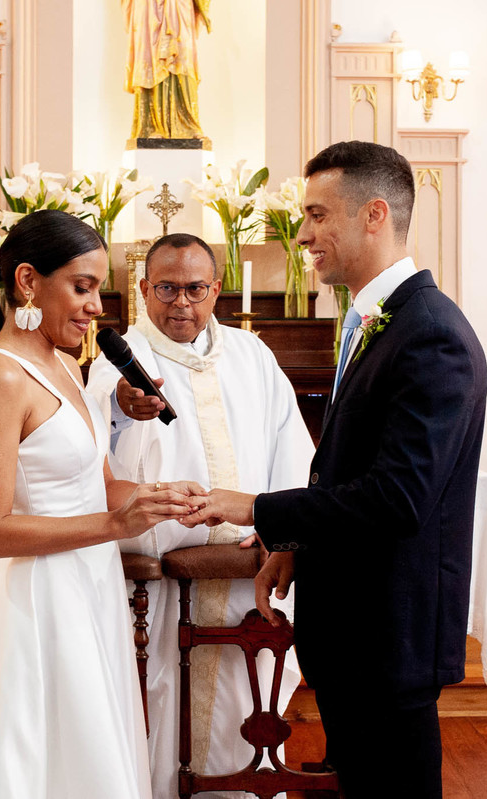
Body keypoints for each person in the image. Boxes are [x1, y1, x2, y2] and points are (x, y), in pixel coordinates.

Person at [182, 141, 487, 798]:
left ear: (374, 213)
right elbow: (349, 471)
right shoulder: (379, 319)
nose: (302, 234)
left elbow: (398, 498)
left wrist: (258, 508)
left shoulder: (430, 332)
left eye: (318, 214)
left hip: (390, 636)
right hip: (360, 634)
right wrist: (295, 541)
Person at [0, 210, 205, 798]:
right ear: (27, 282)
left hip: (89, 588)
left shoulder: (67, 364)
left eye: (98, 289)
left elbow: (97, 484)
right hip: (37, 604)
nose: (96, 306)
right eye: (83, 287)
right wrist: (115, 523)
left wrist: (156, 497)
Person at [87, 233, 314, 799]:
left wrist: (281, 530)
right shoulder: (117, 362)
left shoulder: (252, 354)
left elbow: (292, 448)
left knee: (249, 699)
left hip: (246, 569)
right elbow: (92, 451)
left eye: (195, 289)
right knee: (161, 702)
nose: (180, 303)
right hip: (162, 583)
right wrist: (121, 405)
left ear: (217, 290)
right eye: (166, 288)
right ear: (143, 289)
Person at [122, 0, 209, 141]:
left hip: (179, 6)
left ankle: (189, 124)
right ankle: (150, 126)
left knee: (182, 58)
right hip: (148, 6)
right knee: (150, 57)